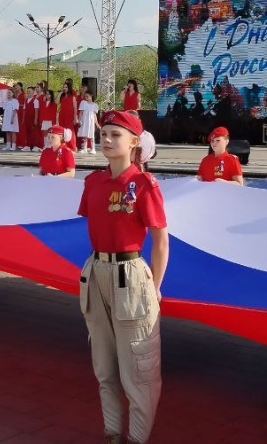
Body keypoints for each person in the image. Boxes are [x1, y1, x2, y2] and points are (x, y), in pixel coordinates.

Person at [77, 110, 169, 444]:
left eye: (116, 134)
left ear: (134, 143)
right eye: (104, 133)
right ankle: (113, 433)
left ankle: (137, 438)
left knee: (139, 370)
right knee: (104, 367)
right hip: (96, 272)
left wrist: (155, 287)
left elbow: (161, 240)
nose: (107, 139)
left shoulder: (144, 185)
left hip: (130, 277)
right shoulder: (93, 183)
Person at [59, 80, 79, 152]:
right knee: (62, 130)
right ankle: (64, 145)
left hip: (69, 115)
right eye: (64, 87)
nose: (65, 88)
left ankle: (72, 147)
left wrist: (75, 118)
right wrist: (61, 92)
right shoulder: (62, 96)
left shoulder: (73, 97)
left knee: (70, 130)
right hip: (62, 115)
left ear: (69, 88)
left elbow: (75, 108)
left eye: (66, 87)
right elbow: (56, 101)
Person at [21, 86, 41, 152]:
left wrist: (35, 119)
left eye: (30, 91)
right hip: (27, 119)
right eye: (27, 91)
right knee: (27, 132)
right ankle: (28, 146)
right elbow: (24, 110)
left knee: (34, 133)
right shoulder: (26, 101)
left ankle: (35, 145)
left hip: (32, 119)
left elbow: (36, 110)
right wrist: (23, 119)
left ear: (33, 92)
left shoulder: (35, 101)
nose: (28, 92)